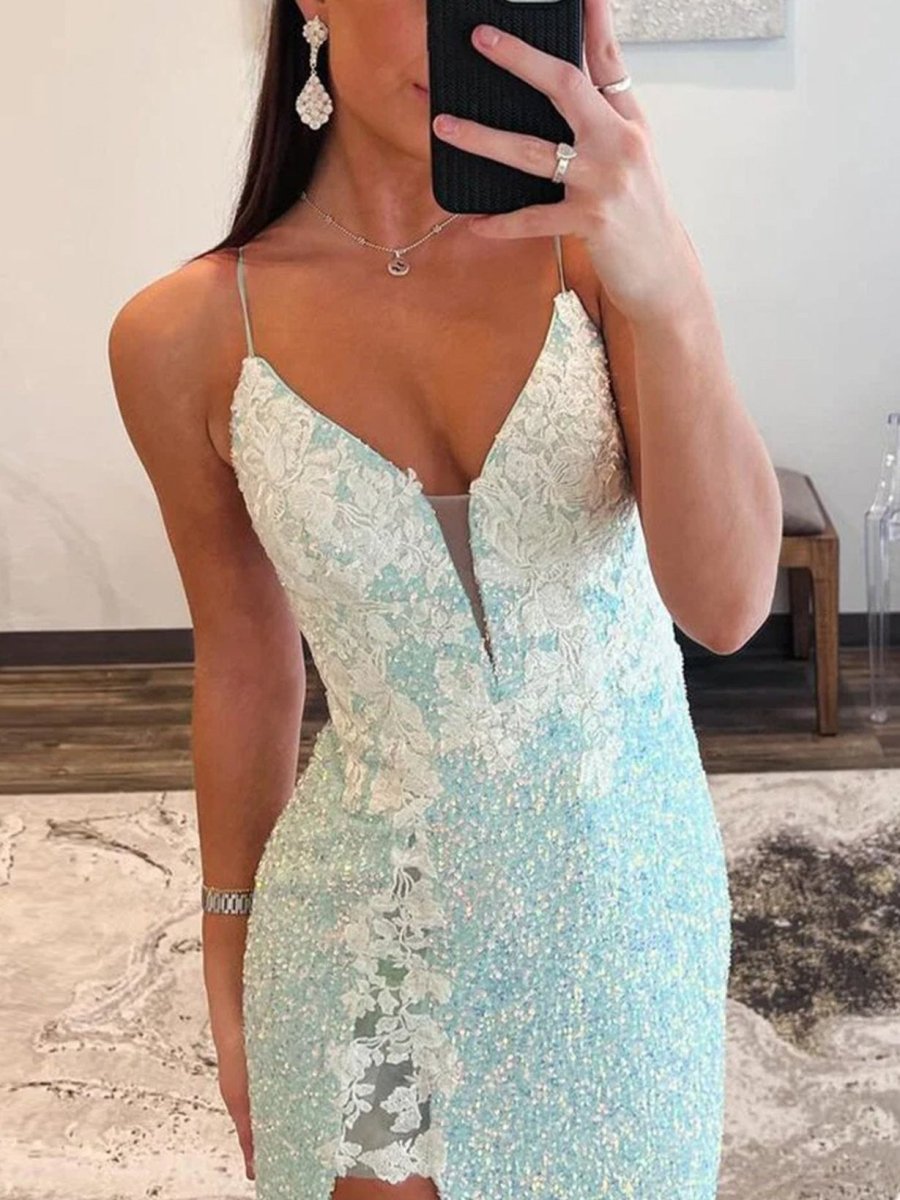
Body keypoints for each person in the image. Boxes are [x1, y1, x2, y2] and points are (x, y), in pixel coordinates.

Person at [108, 0, 783, 1196]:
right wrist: (227, 954)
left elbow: (726, 606)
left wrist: (671, 284)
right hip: (367, 930)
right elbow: (247, 666)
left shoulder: (595, 252)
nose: (463, 28)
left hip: (623, 912)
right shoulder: (186, 334)